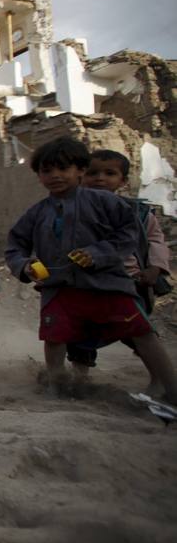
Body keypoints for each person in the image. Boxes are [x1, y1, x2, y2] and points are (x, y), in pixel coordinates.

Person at [3, 136, 177, 400]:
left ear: (80, 171)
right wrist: (25, 266)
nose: (55, 176)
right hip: (59, 289)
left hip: (108, 285)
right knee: (55, 336)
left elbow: (130, 234)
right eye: (46, 171)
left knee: (141, 333)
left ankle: (168, 386)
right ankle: (57, 383)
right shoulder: (36, 213)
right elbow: (15, 246)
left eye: (63, 169)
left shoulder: (107, 203)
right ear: (38, 175)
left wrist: (97, 254)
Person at [64, 148, 173, 391]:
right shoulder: (68, 211)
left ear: (122, 181)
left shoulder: (139, 213)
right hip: (83, 285)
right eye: (93, 173)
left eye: (109, 173)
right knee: (80, 337)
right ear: (81, 176)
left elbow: (155, 241)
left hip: (126, 283)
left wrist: (155, 269)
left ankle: (162, 382)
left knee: (140, 333)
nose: (100, 178)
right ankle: (79, 379)